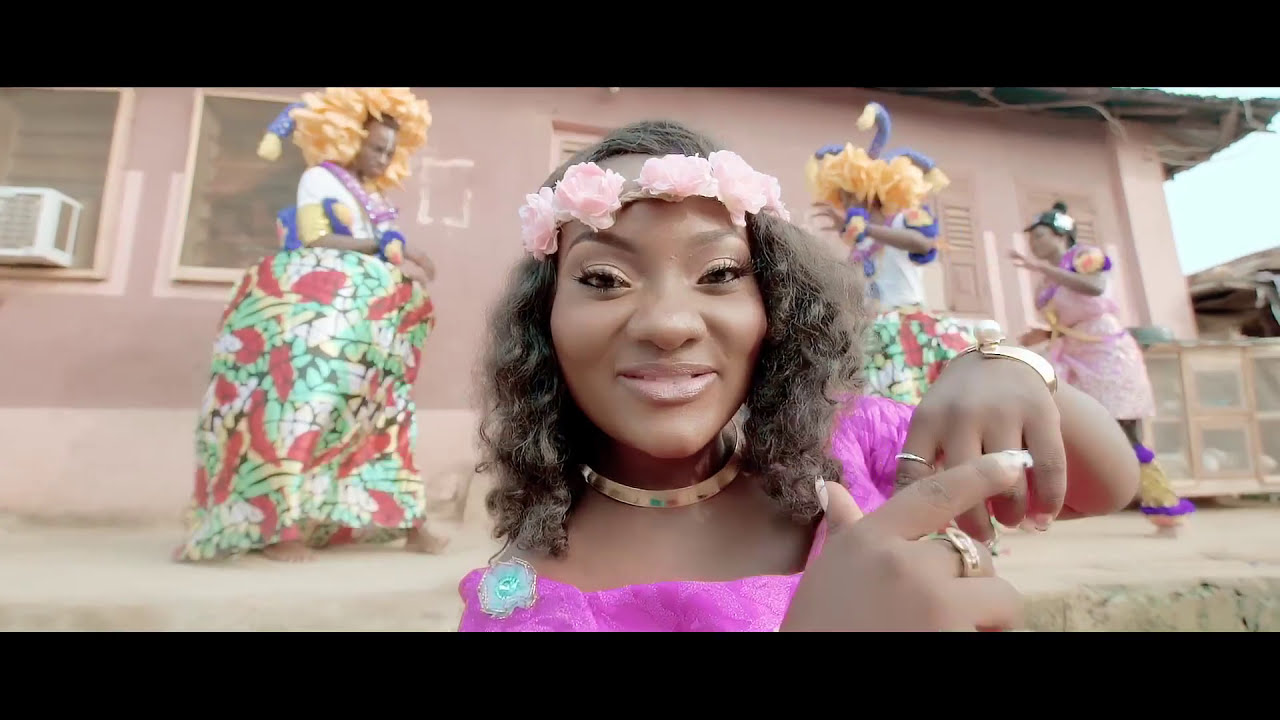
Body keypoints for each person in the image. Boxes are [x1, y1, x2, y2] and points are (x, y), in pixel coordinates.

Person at [455, 120, 1140, 631]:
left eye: (721, 273)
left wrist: (1013, 371)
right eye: (604, 278)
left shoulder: (852, 447)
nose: (668, 324)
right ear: (543, 320)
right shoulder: (526, 603)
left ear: (776, 307)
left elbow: (1105, 484)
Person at [175, 88, 449, 563]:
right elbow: (316, 238)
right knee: (302, 411)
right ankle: (279, 530)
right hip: (318, 313)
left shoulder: (373, 196)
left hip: (367, 322)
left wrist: (405, 256)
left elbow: (380, 245)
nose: (383, 158)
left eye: (390, 151)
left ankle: (408, 521)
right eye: (375, 147)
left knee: (384, 415)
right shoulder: (320, 179)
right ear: (346, 137)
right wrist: (383, 248)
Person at [1011, 201, 1195, 536]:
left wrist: (1041, 268)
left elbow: (1094, 287)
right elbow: (1067, 320)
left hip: (1108, 354)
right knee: (1052, 424)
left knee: (1125, 434)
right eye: (1031, 239)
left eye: (1040, 236)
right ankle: (1040, 507)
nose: (1034, 244)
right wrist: (1043, 334)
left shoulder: (1085, 257)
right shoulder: (1047, 281)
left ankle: (1164, 508)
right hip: (1071, 356)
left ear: (1061, 235)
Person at [805, 102, 974, 407]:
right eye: (842, 197)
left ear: (868, 189)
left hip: (909, 327)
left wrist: (867, 230)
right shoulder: (860, 240)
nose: (845, 204)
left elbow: (922, 244)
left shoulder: (904, 219)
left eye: (849, 196)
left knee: (912, 407)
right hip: (873, 333)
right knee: (878, 411)